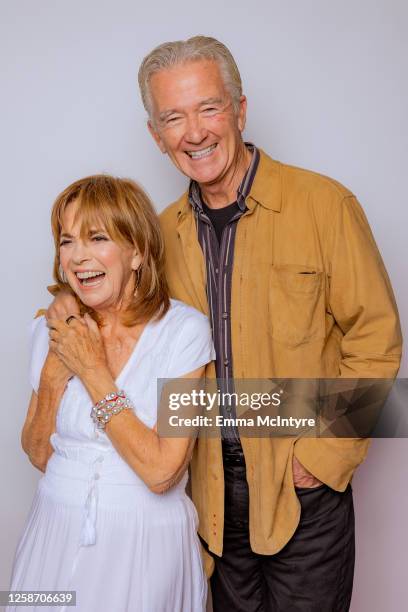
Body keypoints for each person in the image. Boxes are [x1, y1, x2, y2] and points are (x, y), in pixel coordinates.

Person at [46, 37, 402, 611]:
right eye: (173, 117)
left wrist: (322, 456)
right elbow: (111, 303)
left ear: (239, 110)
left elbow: (377, 343)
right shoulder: (159, 236)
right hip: (206, 491)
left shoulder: (324, 206)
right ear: (155, 135)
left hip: (300, 488)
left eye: (208, 108)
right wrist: (65, 303)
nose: (194, 132)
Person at [8, 175, 215, 612]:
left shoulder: (184, 333)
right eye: (67, 242)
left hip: (144, 544)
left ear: (137, 251)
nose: (77, 257)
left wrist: (91, 370)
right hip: (53, 529)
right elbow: (39, 453)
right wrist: (52, 375)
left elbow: (163, 471)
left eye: (96, 238)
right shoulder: (52, 329)